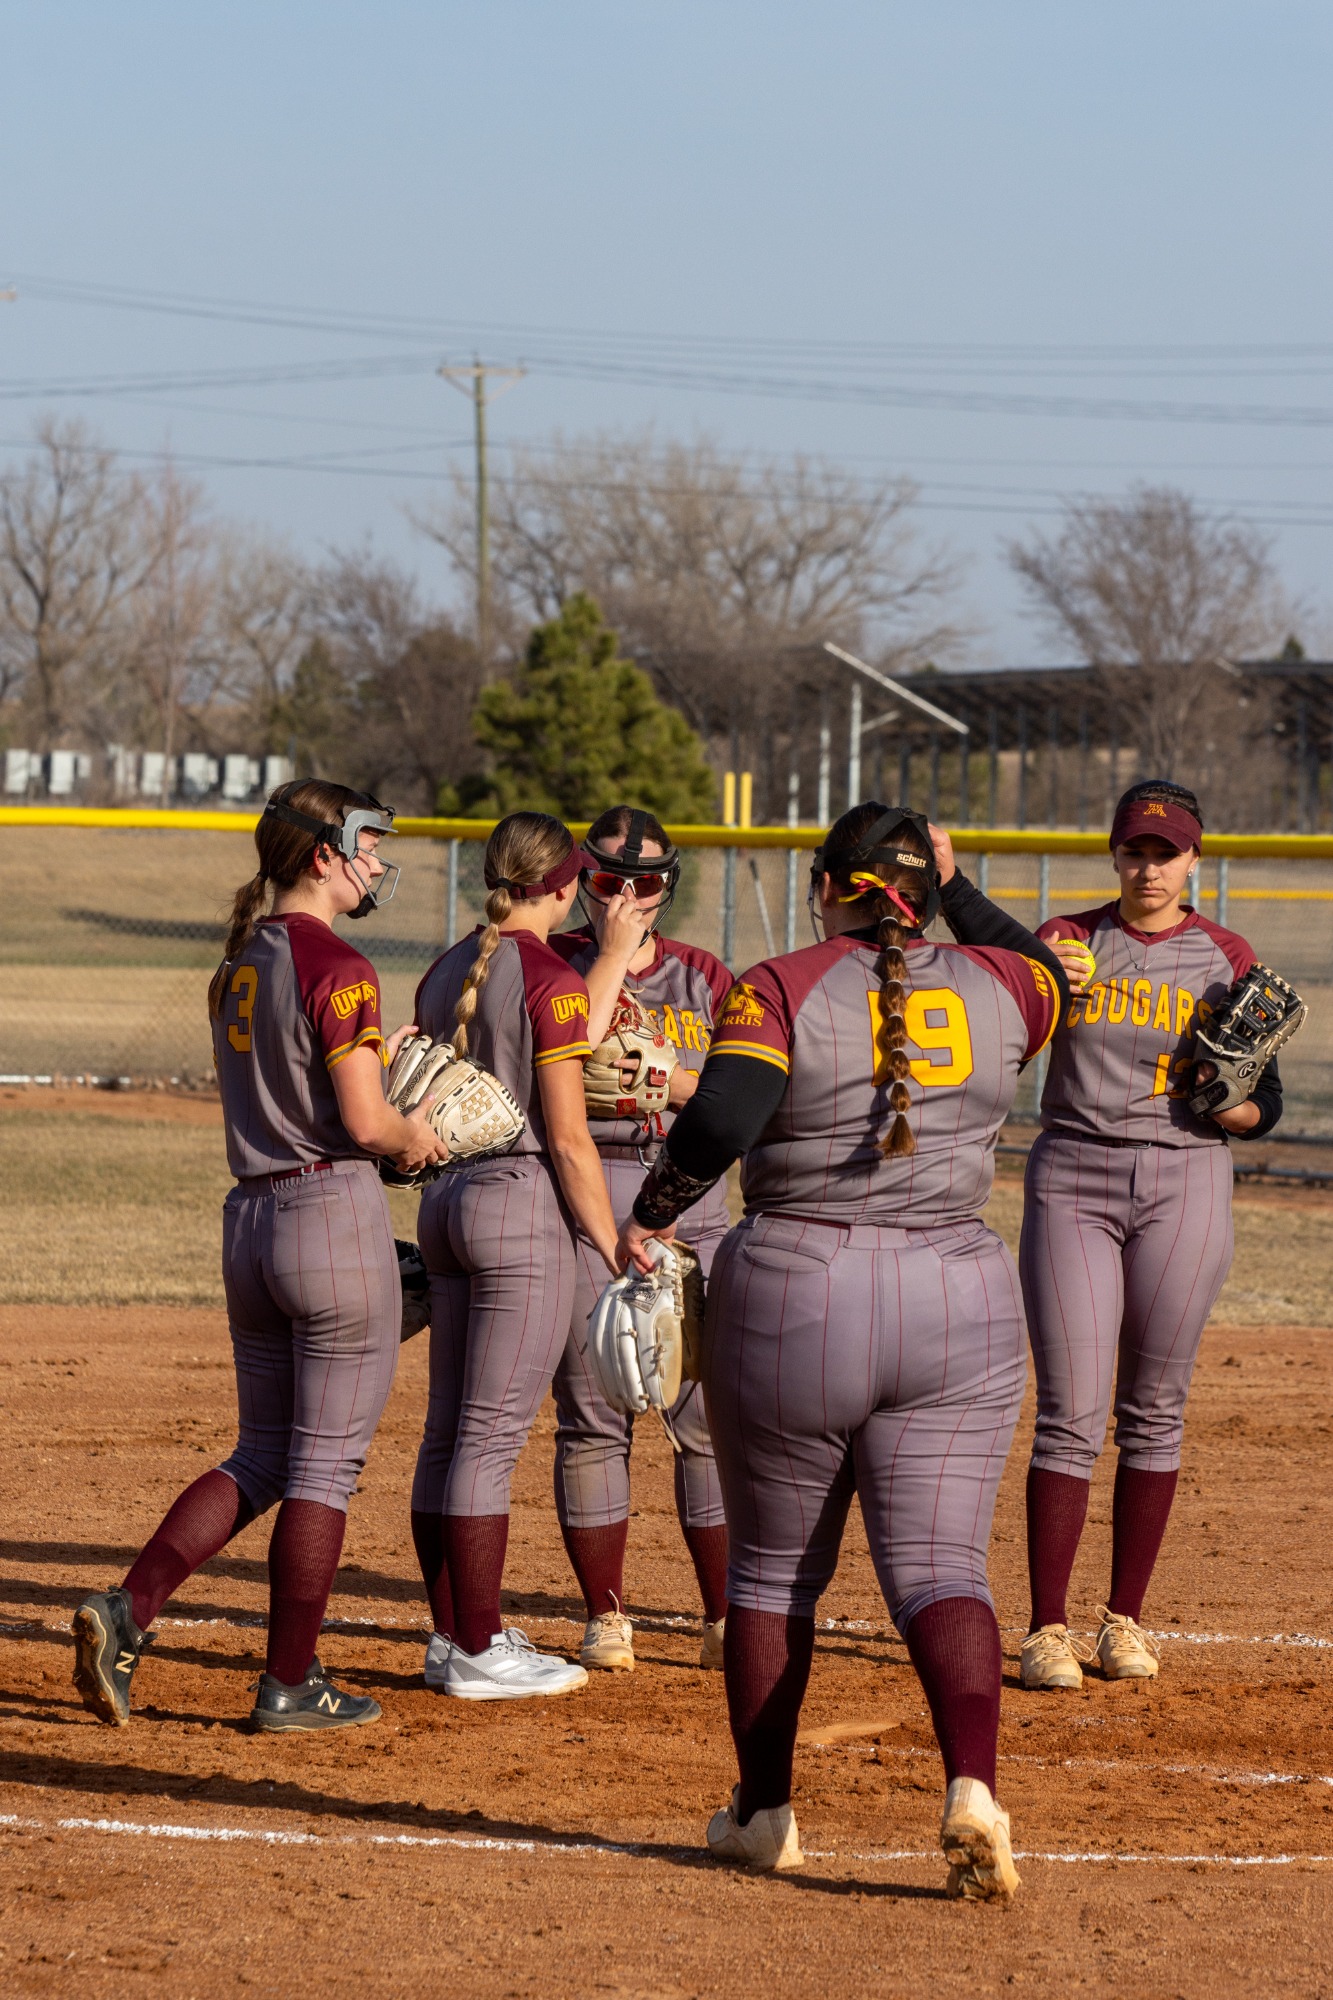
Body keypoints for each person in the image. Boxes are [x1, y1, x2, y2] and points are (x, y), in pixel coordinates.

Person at [619, 802, 1069, 1901]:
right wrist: (957, 892)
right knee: (944, 1570)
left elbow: (721, 1118)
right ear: (924, 894)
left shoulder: (778, 983)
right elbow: (1044, 968)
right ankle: (973, 1787)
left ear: (827, 885)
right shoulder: (1003, 983)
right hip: (958, 1290)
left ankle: (765, 1813)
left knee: (773, 1572)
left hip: (799, 1284)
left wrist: (652, 1208)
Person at [73, 780, 446, 1732]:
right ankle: (289, 1683)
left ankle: (128, 1609)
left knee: (265, 1453)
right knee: (324, 1470)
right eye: (365, 843)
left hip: (250, 1220)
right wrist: (419, 1135)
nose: (374, 861)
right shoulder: (339, 961)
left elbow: (297, 1087)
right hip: (329, 1217)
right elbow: (366, 1125)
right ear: (321, 854)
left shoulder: (241, 957)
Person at [1018, 779, 1283, 1692]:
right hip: (1074, 1172)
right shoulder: (1068, 940)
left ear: (1193, 862)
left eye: (1165, 854)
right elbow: (1012, 1039)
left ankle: (1121, 1620)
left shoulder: (1226, 956)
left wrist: (1228, 1101)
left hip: (1186, 1178)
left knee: (1154, 1409)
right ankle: (1046, 1628)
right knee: (1070, 1410)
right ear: (1114, 855)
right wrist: (1044, 983)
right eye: (1133, 851)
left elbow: (1262, 1106)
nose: (1147, 869)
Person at [409, 810, 627, 1700]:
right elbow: (569, 1142)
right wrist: (611, 1244)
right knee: (489, 1438)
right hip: (516, 1205)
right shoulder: (550, 977)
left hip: (443, 1201)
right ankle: (476, 1646)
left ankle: (450, 1637)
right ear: (564, 887)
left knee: (447, 1433)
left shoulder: (445, 965)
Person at [547, 806, 734, 1675]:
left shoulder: (705, 977)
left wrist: (676, 1083)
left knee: (705, 1418)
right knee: (594, 1414)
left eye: (646, 882)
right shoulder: (553, 966)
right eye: (607, 880)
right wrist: (613, 958)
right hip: (593, 1190)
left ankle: (722, 1616)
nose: (626, 896)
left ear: (670, 887)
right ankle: (606, 1615)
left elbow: (745, 1092)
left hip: (692, 1198)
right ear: (580, 879)